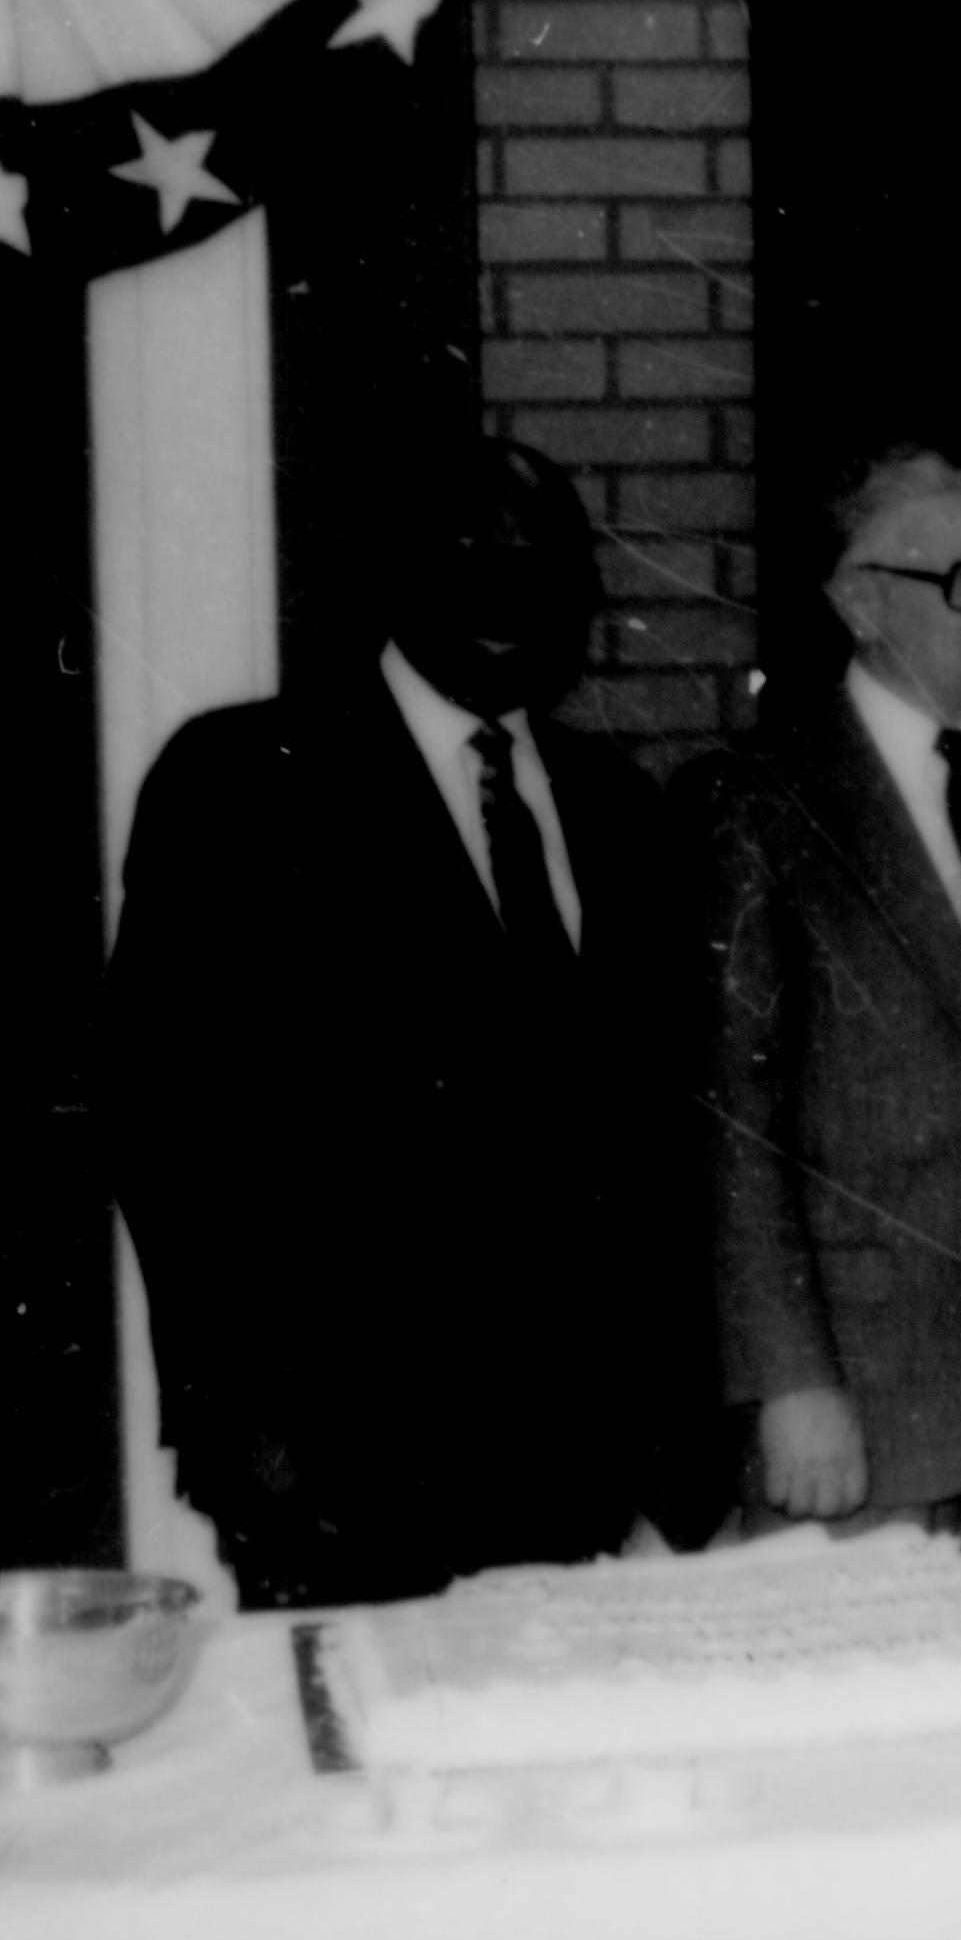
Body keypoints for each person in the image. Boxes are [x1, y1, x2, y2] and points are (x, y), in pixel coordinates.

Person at [105, 438, 702, 1609]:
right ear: (392, 574)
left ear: (584, 605)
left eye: (542, 570)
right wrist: (243, 1422)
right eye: (466, 560)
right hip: (339, 1475)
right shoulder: (245, 778)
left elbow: (658, 1145)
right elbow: (162, 1124)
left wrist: (676, 1449)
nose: (503, 599)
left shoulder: (619, 809)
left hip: (584, 1471)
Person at [687, 438, 961, 1559]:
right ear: (861, 600)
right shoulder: (765, 805)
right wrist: (788, 1383)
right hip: (857, 1415)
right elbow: (735, 1123)